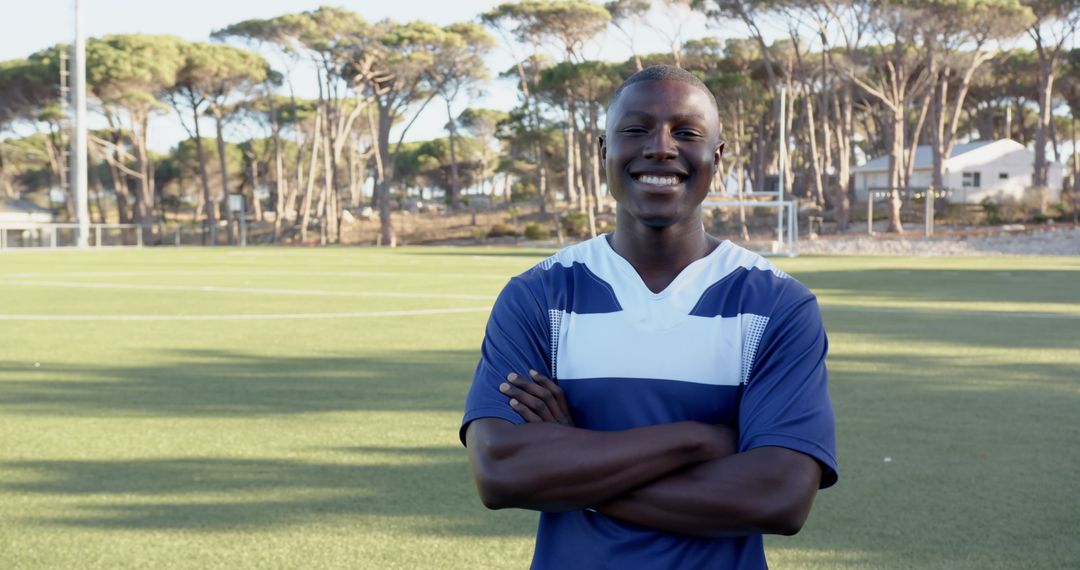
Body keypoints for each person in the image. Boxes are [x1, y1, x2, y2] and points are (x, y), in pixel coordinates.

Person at [460, 64, 837, 569]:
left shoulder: (776, 304)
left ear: (716, 157)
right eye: (636, 129)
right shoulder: (539, 296)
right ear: (602, 152)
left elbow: (778, 497)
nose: (661, 147)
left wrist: (574, 459)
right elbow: (500, 473)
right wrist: (698, 439)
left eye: (687, 132)